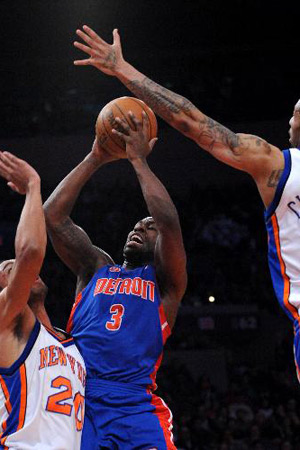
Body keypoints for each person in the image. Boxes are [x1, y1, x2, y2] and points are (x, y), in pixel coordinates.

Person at [72, 26, 300, 376]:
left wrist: (122, 69)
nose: (290, 120)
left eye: (296, 113)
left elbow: (190, 119)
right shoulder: (279, 166)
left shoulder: (278, 165)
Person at [44, 112, 187, 449]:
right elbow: (52, 215)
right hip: (80, 397)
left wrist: (138, 161)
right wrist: (94, 157)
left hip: (135, 403)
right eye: (138, 224)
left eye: (148, 227)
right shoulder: (95, 267)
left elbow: (168, 222)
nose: (141, 227)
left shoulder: (166, 282)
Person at [0, 151, 85, 449]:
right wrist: (33, 185)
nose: (22, 270)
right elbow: (31, 253)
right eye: (9, 270)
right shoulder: (5, 319)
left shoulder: (71, 344)